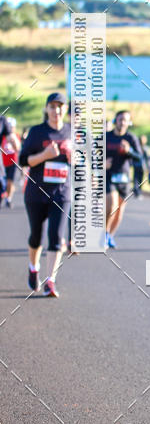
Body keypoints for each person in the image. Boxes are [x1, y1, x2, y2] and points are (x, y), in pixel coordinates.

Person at [19, 92, 72, 297]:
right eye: (52, 106)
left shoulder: (72, 132)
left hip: (61, 192)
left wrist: (74, 157)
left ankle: (51, 281)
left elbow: (83, 160)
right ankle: (34, 268)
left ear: (65, 109)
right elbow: (23, 161)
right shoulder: (37, 132)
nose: (56, 110)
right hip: (36, 192)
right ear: (46, 109)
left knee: (56, 237)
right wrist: (45, 155)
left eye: (60, 106)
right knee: (36, 236)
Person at [105, 110, 142, 248]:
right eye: (120, 119)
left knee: (119, 210)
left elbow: (139, 157)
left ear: (128, 123)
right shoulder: (106, 137)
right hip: (108, 176)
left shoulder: (131, 138)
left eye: (125, 120)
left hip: (124, 178)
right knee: (111, 204)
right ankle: (105, 232)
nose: (122, 122)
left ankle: (110, 236)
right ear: (115, 121)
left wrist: (129, 151)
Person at [1, 117, 20, 208]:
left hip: (12, 162)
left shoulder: (15, 136)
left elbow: (18, 148)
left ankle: (8, 199)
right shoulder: (2, 136)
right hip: (3, 163)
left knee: (10, 181)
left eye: (12, 126)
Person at [132, 133, 150, 198]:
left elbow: (147, 158)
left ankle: (138, 192)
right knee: (137, 179)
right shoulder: (137, 148)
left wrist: (148, 167)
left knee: (139, 179)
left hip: (142, 166)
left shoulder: (145, 148)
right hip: (138, 165)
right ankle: (137, 192)